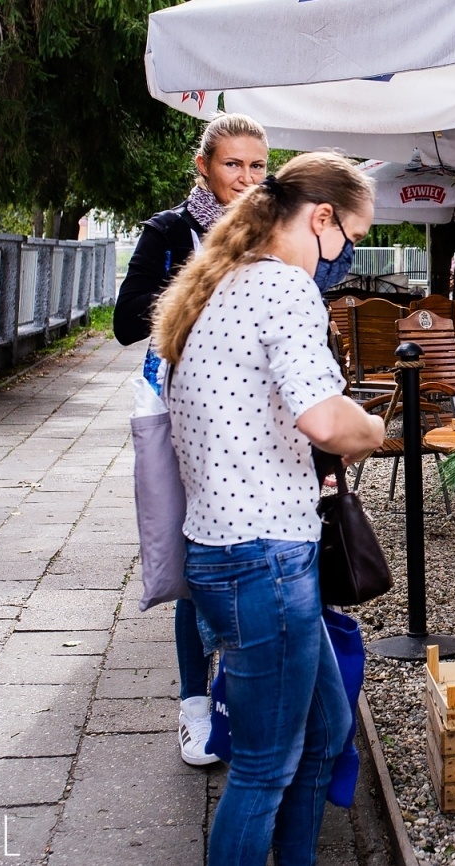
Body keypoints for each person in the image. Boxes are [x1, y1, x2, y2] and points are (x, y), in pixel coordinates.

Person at [152, 150, 385, 866]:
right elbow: (323, 419)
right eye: (350, 237)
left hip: (228, 550)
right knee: (262, 767)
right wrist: (374, 430)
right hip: (265, 561)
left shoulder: (219, 283)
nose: (346, 254)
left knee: (325, 730)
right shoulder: (285, 288)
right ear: (320, 219)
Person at [114, 112, 268, 766]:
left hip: (254, 412)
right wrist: (201, 281)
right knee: (194, 557)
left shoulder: (273, 234)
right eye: (234, 164)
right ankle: (193, 704)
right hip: (181, 412)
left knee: (248, 549)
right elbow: (126, 324)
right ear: (204, 165)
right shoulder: (172, 232)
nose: (247, 177)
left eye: (258, 166)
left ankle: (239, 695)